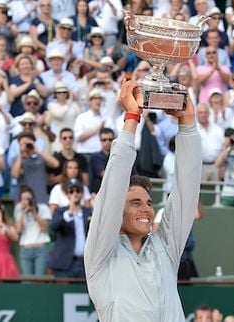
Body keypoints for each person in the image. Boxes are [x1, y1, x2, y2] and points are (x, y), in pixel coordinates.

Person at [82, 80, 201, 320]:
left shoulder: (166, 247)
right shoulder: (101, 253)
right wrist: (131, 119)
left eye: (148, 202)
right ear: (118, 211)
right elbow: (113, 187)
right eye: (135, 202)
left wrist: (188, 124)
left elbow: (186, 191)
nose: (146, 209)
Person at [14, 185, 52, 276]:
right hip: (25, 249)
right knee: (27, 281)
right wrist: (23, 212)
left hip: (40, 248)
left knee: (39, 280)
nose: (26, 201)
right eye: (23, 199)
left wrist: (34, 212)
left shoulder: (43, 208)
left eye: (28, 199)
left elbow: (44, 227)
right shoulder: (18, 209)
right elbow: (18, 230)